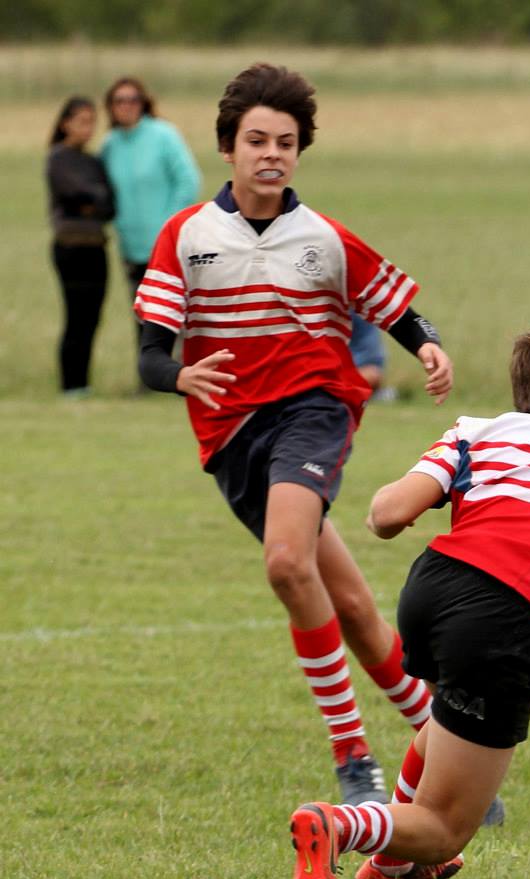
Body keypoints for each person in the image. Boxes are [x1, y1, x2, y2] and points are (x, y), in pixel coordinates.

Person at [134, 63, 453, 806]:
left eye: (285, 142)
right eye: (256, 140)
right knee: (351, 607)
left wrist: (428, 346)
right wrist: (180, 375)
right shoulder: (187, 237)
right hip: (229, 437)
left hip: (314, 409)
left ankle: (355, 762)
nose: (270, 153)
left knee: (285, 562)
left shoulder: (324, 238)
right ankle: (438, 743)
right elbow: (150, 354)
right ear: (227, 148)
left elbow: (397, 307)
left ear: (299, 153)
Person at [288, 309, 530, 879]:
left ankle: (389, 868)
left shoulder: (477, 430)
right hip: (504, 618)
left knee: (444, 720)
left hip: (431, 588)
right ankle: (340, 825)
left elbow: (389, 516)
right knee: (445, 829)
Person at [101, 77, 201, 385]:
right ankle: (151, 380)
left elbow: (188, 181)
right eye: (119, 100)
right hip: (131, 246)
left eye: (132, 99)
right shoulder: (110, 145)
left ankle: (190, 375)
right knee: (143, 316)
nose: (126, 106)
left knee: (180, 316)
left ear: (143, 102)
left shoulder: (163, 136)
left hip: (166, 245)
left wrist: (169, 225)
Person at [46, 96, 115, 397]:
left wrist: (92, 201)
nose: (88, 128)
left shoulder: (93, 161)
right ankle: (70, 383)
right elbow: (75, 194)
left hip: (96, 246)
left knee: (93, 316)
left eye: (92, 122)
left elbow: (108, 205)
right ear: (66, 123)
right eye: (82, 121)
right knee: (75, 315)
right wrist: (92, 199)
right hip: (71, 247)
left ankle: (84, 382)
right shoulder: (58, 158)